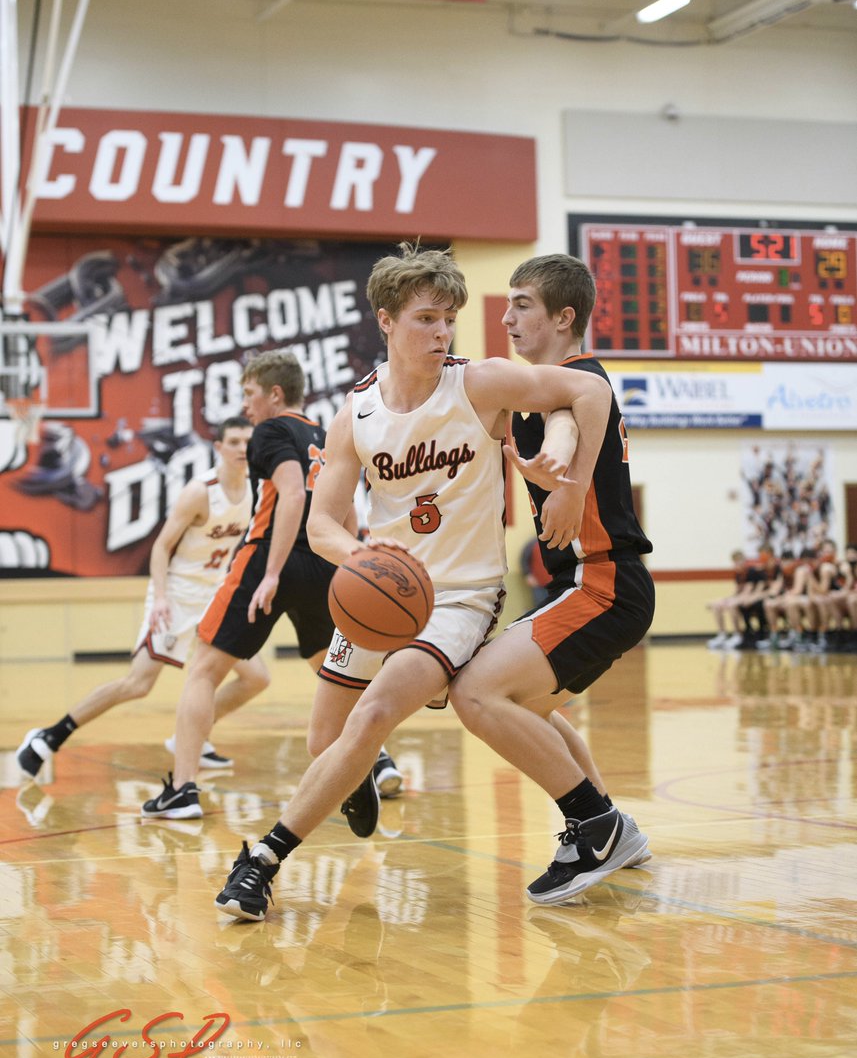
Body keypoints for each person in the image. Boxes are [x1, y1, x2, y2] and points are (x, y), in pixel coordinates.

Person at [212, 241, 620, 921]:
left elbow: (585, 388)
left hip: (461, 596)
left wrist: (569, 483)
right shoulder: (357, 414)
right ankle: (359, 773)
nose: (441, 332)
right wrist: (361, 559)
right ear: (387, 321)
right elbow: (323, 526)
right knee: (329, 741)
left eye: (448, 319)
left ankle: (262, 860)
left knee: (372, 717)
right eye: (426, 318)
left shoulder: (478, 382)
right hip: (385, 590)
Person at [446, 253, 655, 905]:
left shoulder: (572, 380)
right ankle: (608, 824)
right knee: (529, 704)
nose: (505, 317)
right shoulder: (544, 386)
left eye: (522, 304)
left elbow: (565, 428)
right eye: (506, 304)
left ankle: (594, 824)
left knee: (475, 693)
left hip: (603, 583)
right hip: (591, 585)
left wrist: (561, 475)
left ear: (564, 317)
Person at [141, 350, 402, 820]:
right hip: (324, 564)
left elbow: (293, 493)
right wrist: (350, 562)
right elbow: (344, 510)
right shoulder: (323, 435)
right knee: (331, 667)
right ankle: (373, 757)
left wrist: (274, 572)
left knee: (202, 670)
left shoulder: (270, 431)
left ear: (275, 394)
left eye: (249, 394)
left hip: (269, 557)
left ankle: (182, 790)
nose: (246, 405)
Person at [16, 416, 269, 781]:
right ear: (218, 447)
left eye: (248, 440)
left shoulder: (254, 491)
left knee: (255, 677)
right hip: (178, 594)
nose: (242, 448)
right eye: (233, 441)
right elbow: (161, 548)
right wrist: (162, 598)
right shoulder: (200, 492)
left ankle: (192, 735)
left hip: (214, 594)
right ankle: (49, 737)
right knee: (138, 684)